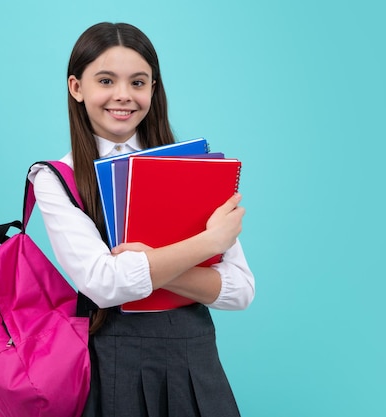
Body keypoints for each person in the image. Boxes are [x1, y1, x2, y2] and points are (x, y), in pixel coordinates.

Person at [29, 22, 255, 417]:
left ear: (153, 88)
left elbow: (240, 291)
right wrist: (207, 244)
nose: (123, 96)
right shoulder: (55, 178)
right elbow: (104, 284)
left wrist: (149, 261)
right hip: (113, 369)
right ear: (76, 87)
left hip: (196, 367)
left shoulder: (194, 169)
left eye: (138, 82)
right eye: (105, 80)